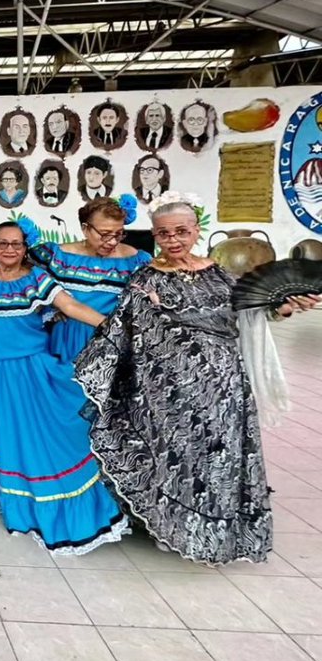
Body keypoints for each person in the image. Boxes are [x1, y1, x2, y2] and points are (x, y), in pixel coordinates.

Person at [76, 195, 319, 565]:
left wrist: (283, 305)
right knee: (176, 455)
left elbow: (252, 311)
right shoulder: (145, 279)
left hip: (224, 386)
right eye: (163, 234)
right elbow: (130, 329)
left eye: (181, 232)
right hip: (168, 388)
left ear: (196, 231)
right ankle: (175, 527)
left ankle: (218, 532)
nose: (173, 240)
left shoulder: (221, 273)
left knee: (219, 456)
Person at [0, 221, 127, 554]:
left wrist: (110, 326)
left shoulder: (37, 279)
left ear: (25, 247)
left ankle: (35, 505)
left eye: (16, 244)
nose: (10, 250)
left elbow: (70, 306)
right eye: (3, 243)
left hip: (24, 373)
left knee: (30, 438)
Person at [29, 197, 152, 362]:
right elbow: (26, 288)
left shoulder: (136, 260)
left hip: (112, 339)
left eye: (118, 234)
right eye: (105, 234)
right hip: (67, 338)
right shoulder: (55, 257)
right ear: (85, 229)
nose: (112, 241)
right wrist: (50, 310)